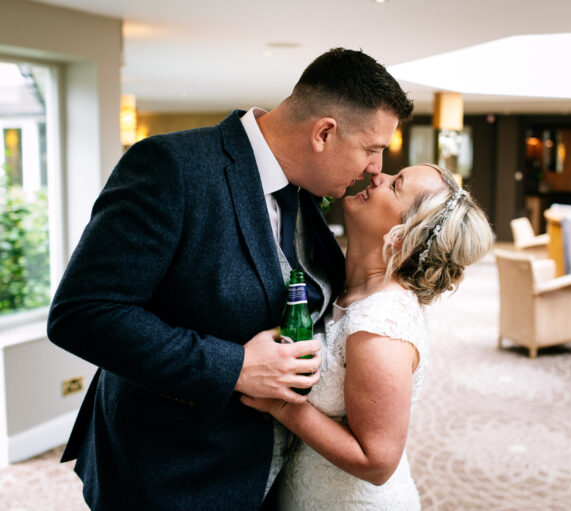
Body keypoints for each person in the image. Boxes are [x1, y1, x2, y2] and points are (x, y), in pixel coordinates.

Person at [46, 48, 413, 510]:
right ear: (323, 133)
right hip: (174, 478)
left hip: (275, 481)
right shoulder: (172, 167)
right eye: (372, 149)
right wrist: (235, 366)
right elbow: (82, 313)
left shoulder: (307, 188)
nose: (376, 168)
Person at [241, 163, 494, 510]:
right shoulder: (344, 284)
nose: (378, 176)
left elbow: (377, 463)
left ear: (402, 235)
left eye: (395, 185)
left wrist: (280, 405)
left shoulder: (380, 322)